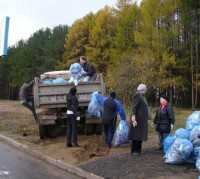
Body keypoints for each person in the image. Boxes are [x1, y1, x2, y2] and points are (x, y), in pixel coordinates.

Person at [129, 84, 149, 156]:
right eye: (145, 89)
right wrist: (133, 118)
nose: (146, 90)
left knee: (139, 135)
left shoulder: (142, 97)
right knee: (136, 135)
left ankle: (138, 150)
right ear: (142, 89)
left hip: (141, 120)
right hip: (138, 120)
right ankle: (135, 151)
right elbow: (134, 107)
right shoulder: (137, 96)